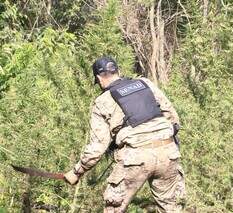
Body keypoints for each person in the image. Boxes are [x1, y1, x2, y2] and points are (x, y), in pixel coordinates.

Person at [64, 56, 186, 212]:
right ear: (118, 71)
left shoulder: (102, 102)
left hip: (135, 157)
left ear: (98, 79)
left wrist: (77, 172)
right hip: (168, 152)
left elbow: (97, 148)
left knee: (114, 208)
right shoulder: (145, 83)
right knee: (171, 208)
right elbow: (173, 118)